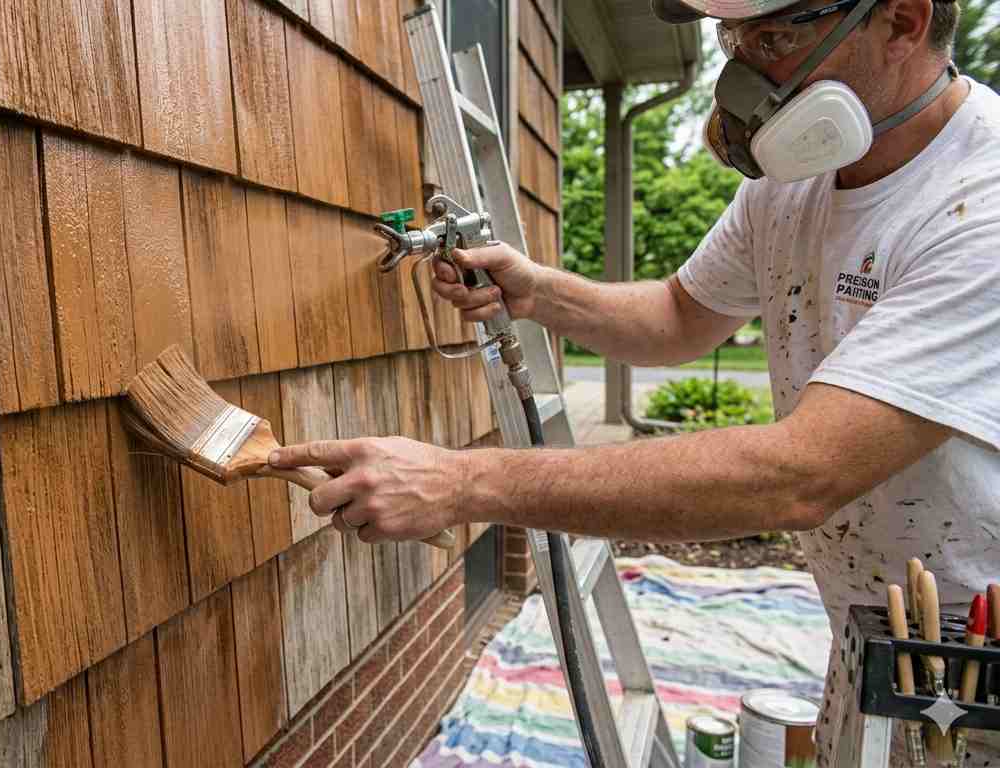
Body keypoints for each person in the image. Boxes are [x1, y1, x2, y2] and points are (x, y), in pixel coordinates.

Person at [267, 0, 1000, 764]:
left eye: (775, 37)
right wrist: (538, 292)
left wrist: (461, 481)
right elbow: (679, 315)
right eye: (733, 38)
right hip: (876, 631)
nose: (744, 73)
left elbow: (801, 472)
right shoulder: (792, 186)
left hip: (980, 652)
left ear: (902, 23)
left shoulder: (981, 204)